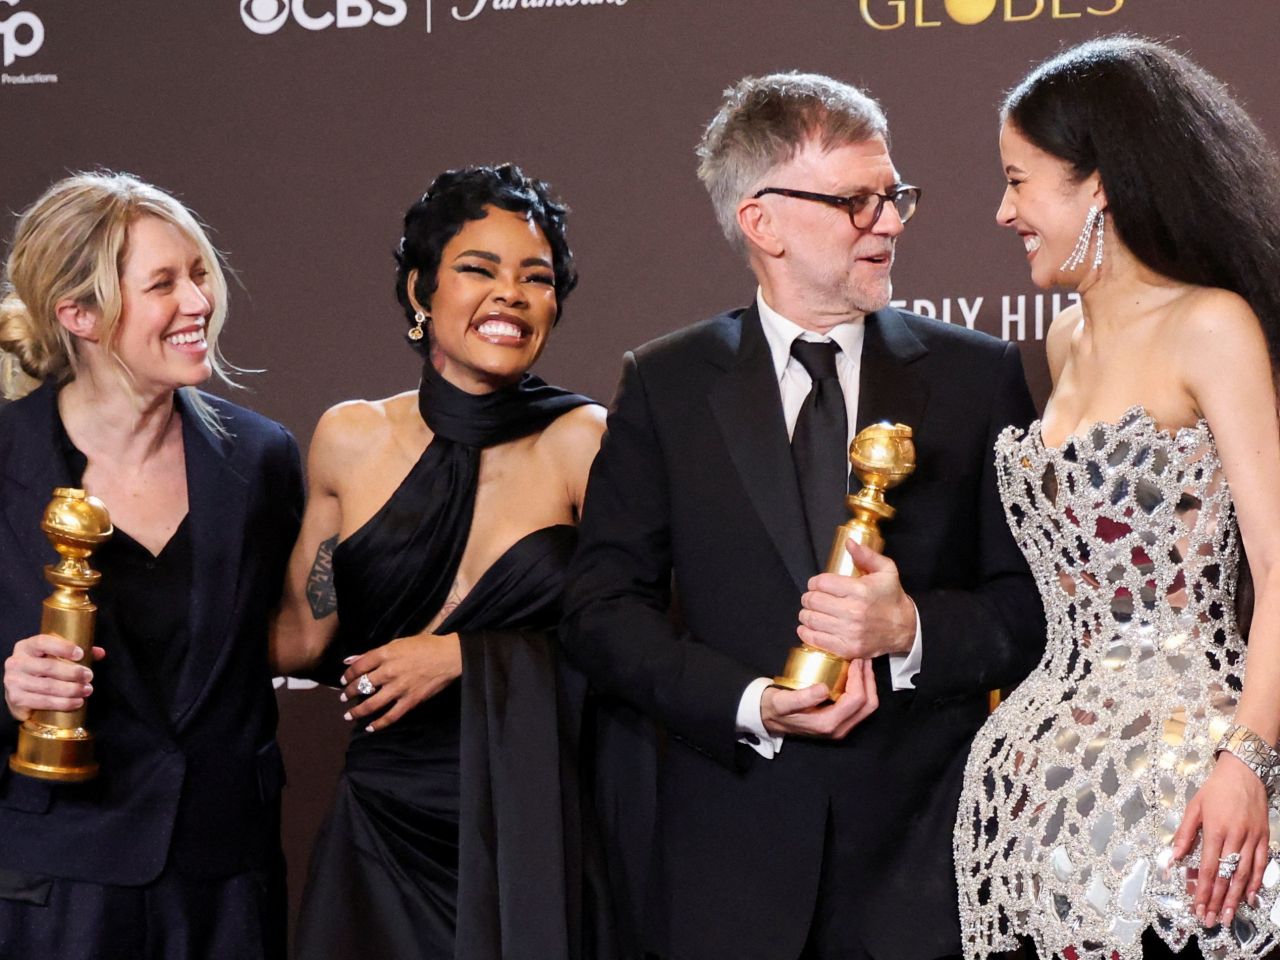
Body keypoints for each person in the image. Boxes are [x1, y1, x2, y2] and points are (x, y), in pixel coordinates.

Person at [560, 72, 1047, 960]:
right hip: (730, 870)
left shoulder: (979, 378)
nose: (890, 222)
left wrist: (910, 631)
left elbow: (1033, 605)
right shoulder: (666, 385)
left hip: (927, 871)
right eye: (857, 202)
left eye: (893, 196)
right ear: (763, 221)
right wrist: (750, 702)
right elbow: (601, 611)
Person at [954, 38, 1280, 960]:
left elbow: (1277, 562)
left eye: (1020, 183)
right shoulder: (1062, 340)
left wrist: (1245, 762)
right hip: (1049, 792)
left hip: (1192, 788)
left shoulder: (1208, 326)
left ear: (1096, 185)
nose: (1004, 210)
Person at [271, 165, 615, 960]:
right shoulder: (349, 438)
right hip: (383, 828)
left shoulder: (583, 442)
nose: (512, 294)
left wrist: (466, 657)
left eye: (536, 277)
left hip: (535, 819)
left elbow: (632, 646)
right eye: (478, 269)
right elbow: (298, 638)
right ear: (421, 293)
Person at [0, 172, 303, 959]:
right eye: (163, 283)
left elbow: (303, 634)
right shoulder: (3, 458)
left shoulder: (261, 457)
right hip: (56, 881)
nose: (198, 302)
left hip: (225, 879)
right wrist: (7, 685)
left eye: (198, 274)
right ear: (81, 314)